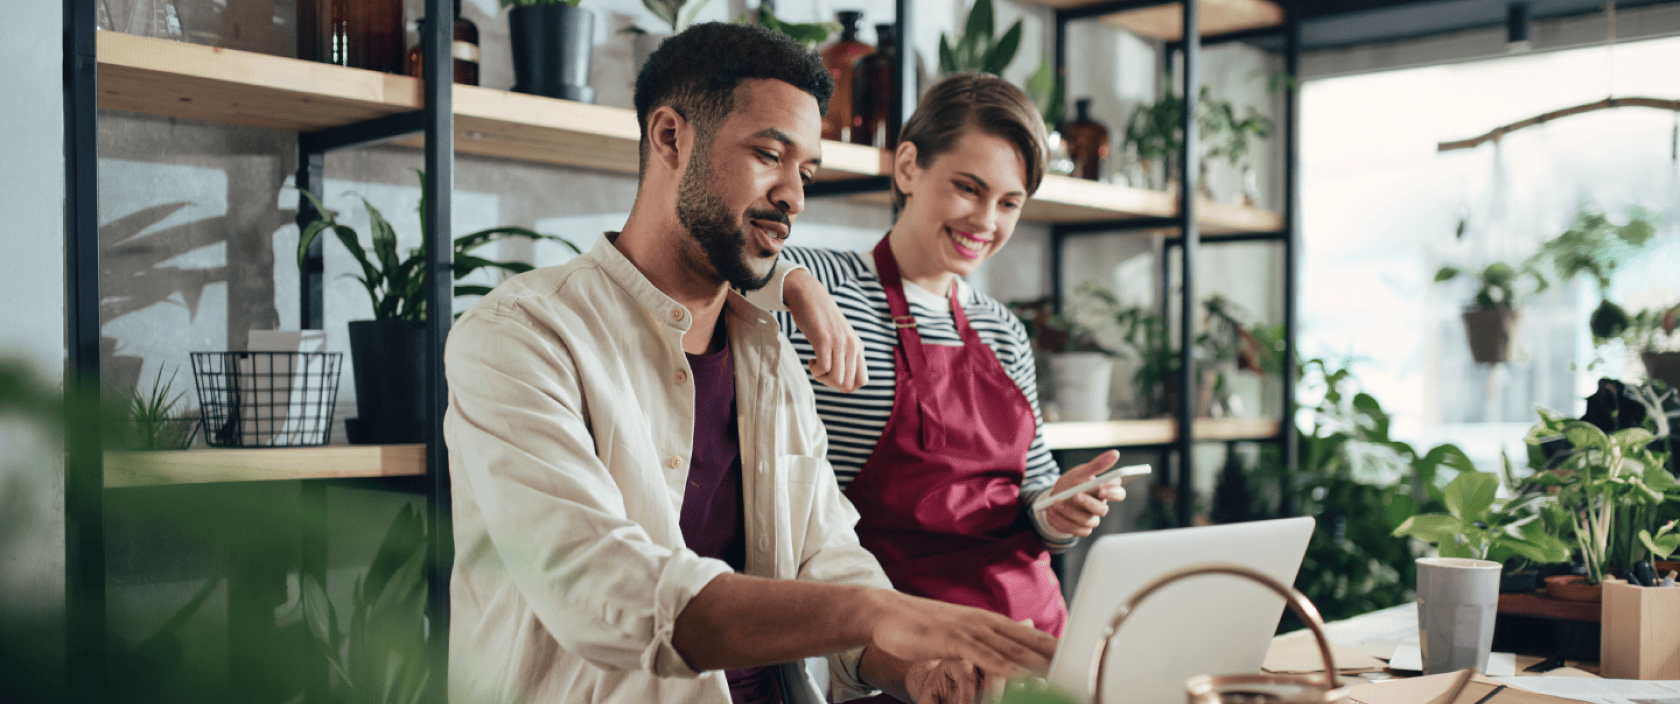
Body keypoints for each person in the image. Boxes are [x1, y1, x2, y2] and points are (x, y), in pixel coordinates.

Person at [443, 24, 1055, 704]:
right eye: (770, 154)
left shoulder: (770, 357)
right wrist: (877, 612)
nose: (795, 195)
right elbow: (600, 587)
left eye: (808, 171)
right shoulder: (521, 337)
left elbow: (827, 557)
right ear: (670, 136)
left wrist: (912, 667)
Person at [753, 73, 1131, 653]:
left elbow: (1030, 496)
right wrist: (794, 282)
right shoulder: (824, 284)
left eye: (1009, 203)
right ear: (908, 168)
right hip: (900, 648)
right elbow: (715, 259)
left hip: (1034, 636)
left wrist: (1060, 510)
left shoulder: (1002, 329)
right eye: (968, 188)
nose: (986, 221)